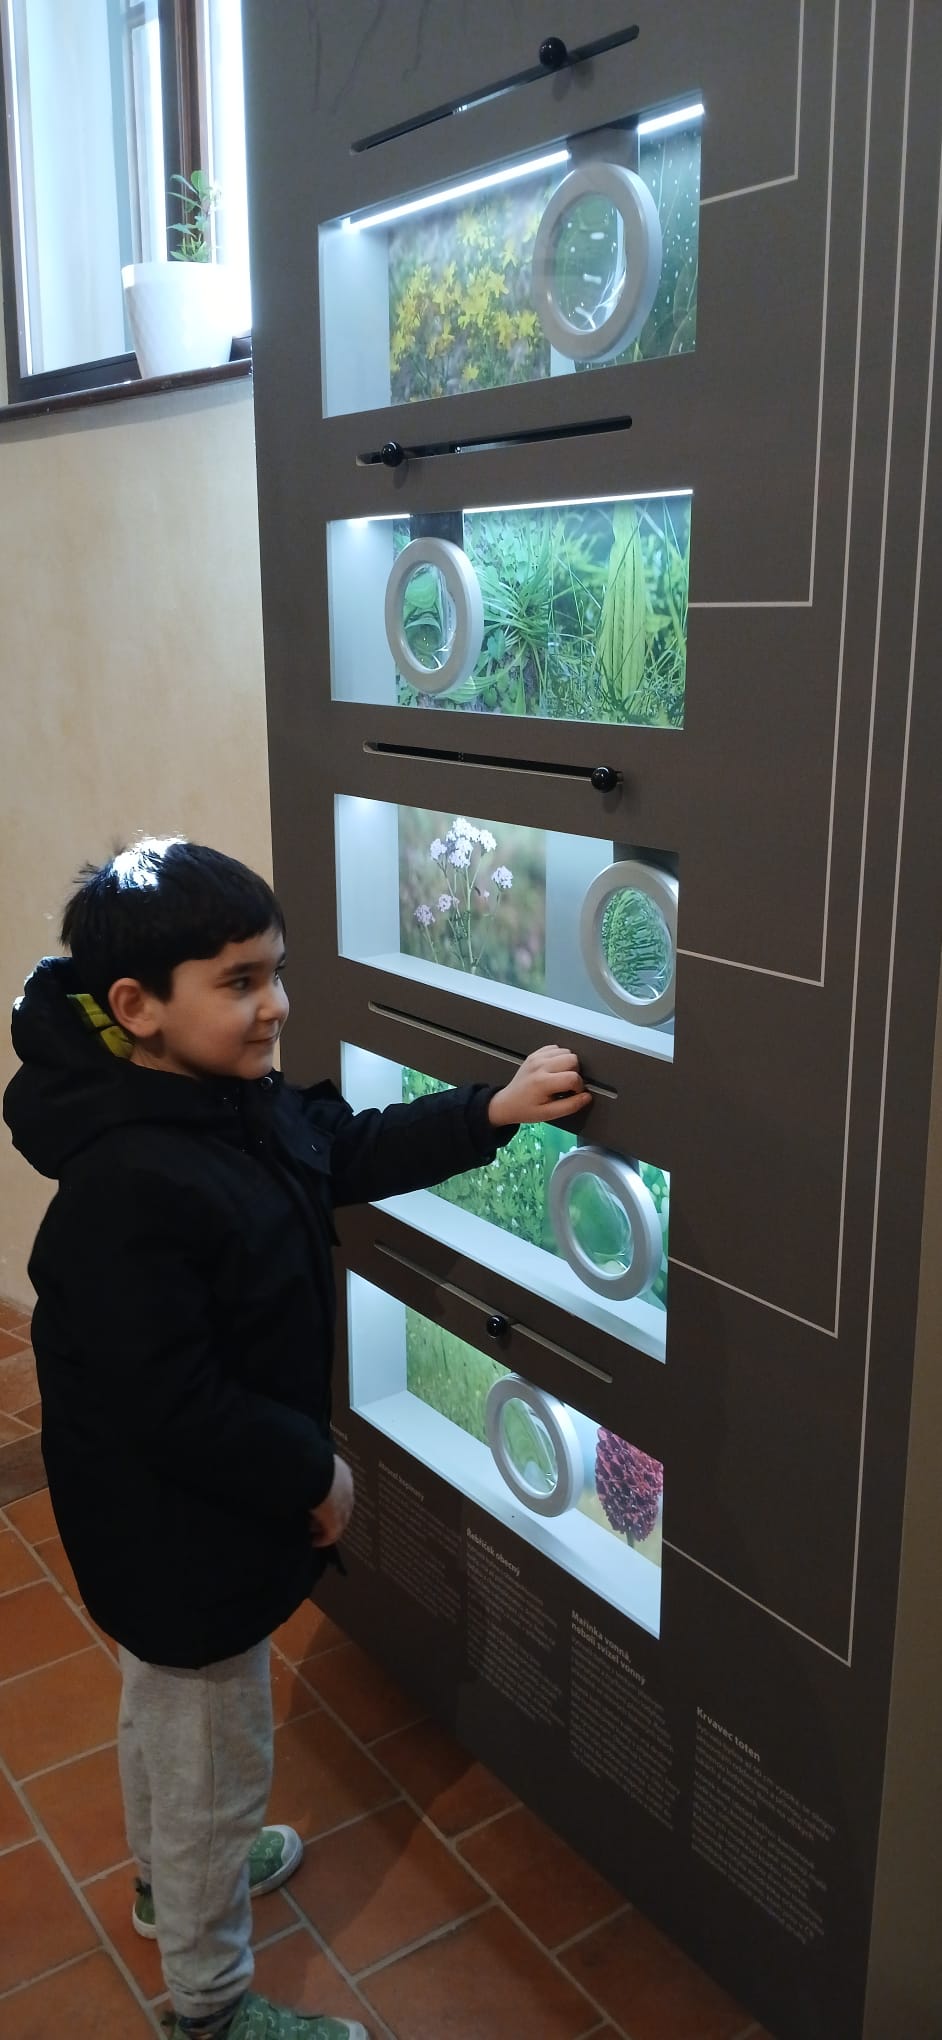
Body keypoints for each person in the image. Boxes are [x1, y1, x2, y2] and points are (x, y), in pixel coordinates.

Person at [2, 835, 592, 2040]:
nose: (274, 1005)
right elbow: (173, 1404)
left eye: (276, 971)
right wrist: (309, 1475)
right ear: (137, 1006)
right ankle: (210, 2006)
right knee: (213, 1767)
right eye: (239, 981)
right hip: (182, 1531)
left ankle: (170, 1883)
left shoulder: (219, 1104)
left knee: (169, 1721)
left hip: (174, 1529)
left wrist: (490, 1111)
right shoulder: (130, 1185)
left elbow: (342, 1150)